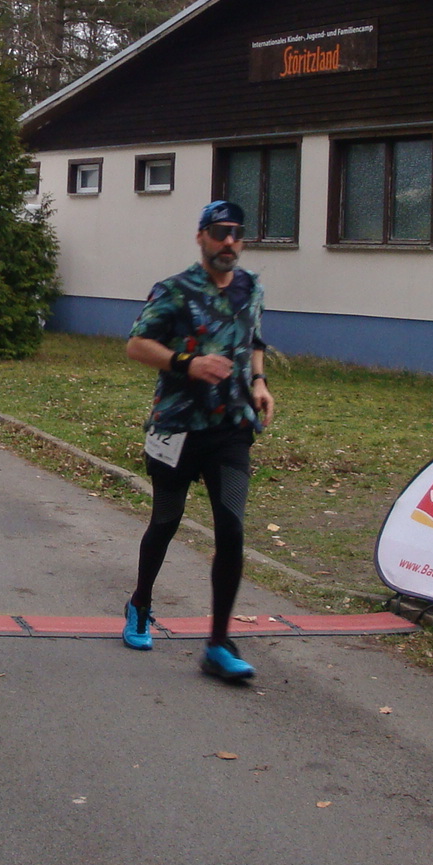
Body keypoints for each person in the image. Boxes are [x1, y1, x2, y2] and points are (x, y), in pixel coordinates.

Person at [121, 198, 275, 684]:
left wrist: (259, 382)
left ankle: (218, 644)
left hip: (231, 430)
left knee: (231, 530)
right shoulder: (174, 290)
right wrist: (188, 364)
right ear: (201, 237)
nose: (229, 241)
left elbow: (254, 340)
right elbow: (136, 344)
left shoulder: (251, 288)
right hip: (177, 427)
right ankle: (140, 604)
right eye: (220, 232)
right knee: (166, 521)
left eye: (237, 233)